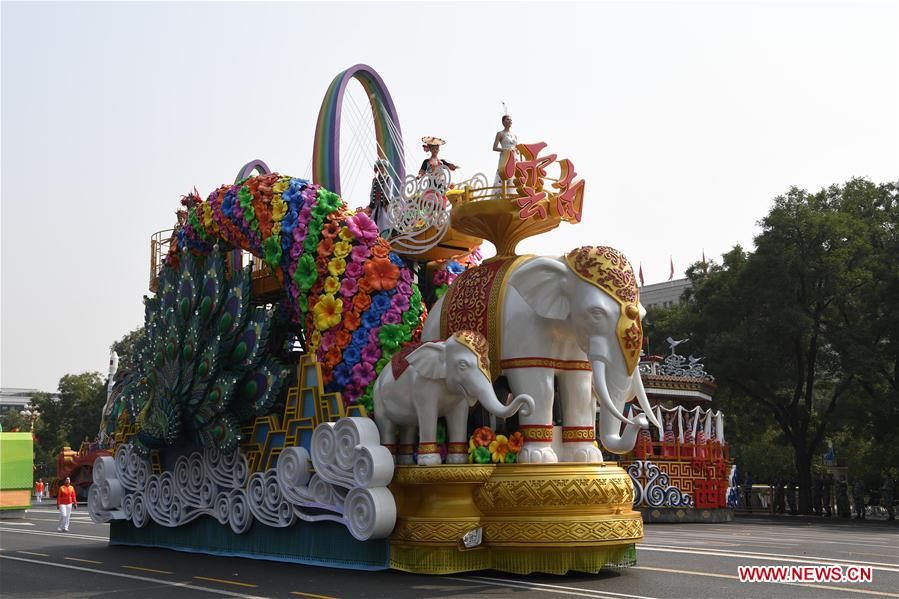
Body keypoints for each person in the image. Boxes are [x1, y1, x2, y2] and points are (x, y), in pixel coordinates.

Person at [492, 114, 518, 191]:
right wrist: (505, 150)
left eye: (511, 120)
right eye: (507, 119)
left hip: (514, 157)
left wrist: (517, 151)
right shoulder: (500, 133)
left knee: (514, 174)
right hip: (505, 156)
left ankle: (512, 193)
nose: (510, 121)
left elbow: (516, 147)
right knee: (504, 173)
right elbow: (494, 147)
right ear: (503, 122)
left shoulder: (514, 135)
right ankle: (501, 193)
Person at [368, 159, 393, 234]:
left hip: (383, 205)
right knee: (373, 220)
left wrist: (387, 202)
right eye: (379, 167)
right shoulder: (375, 180)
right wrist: (371, 203)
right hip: (376, 204)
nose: (380, 168)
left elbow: (389, 191)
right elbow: (372, 192)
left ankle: (385, 236)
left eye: (382, 167)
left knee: (384, 221)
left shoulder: (388, 178)